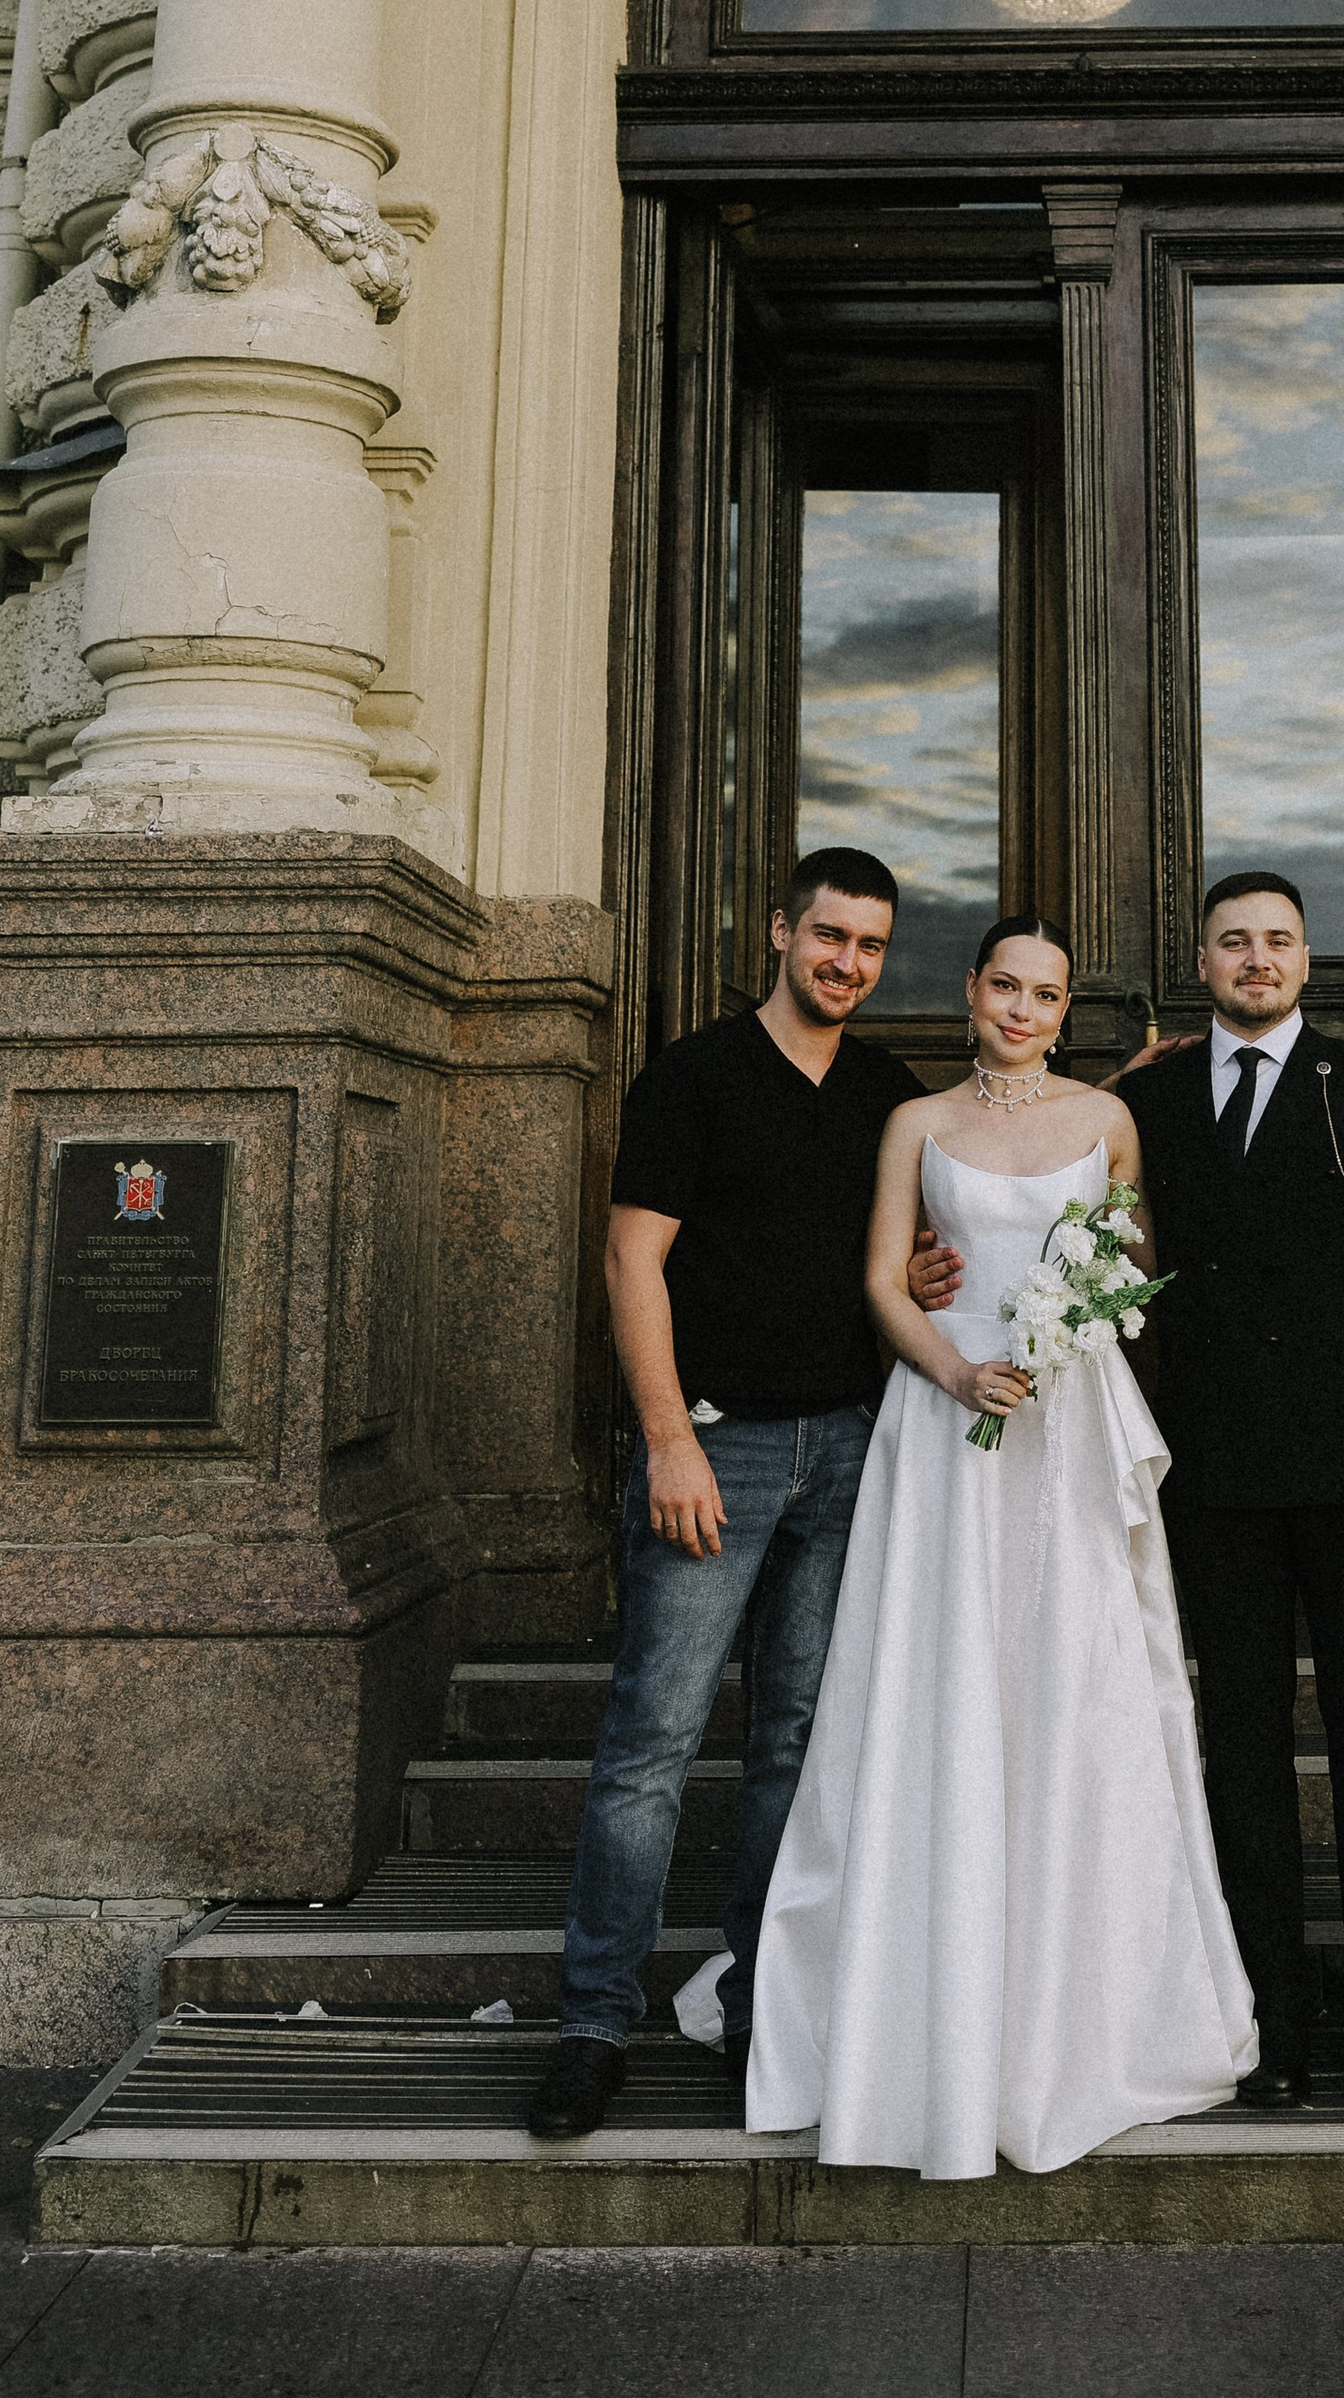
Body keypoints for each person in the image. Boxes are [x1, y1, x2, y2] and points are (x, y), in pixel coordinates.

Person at [747, 915, 1256, 2177]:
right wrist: (958, 1367)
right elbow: (880, 1279)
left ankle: (1080, 2015)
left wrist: (1089, 1291)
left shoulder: (1109, 1120)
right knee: (938, 1690)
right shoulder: (915, 1126)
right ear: (970, 992)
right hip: (949, 1417)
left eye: (1047, 993)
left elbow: (1138, 1260)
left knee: (1073, 1689)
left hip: (1067, 1422)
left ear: (1066, 1006)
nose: (1023, 1009)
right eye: (1005, 986)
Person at [525, 848, 922, 2143]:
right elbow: (632, 1263)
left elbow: (898, 1258)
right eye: (828, 936)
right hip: (716, 1446)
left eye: (868, 944)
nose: (846, 962)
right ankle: (593, 2019)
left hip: (849, 1445)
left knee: (795, 1747)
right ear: (779, 932)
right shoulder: (692, 1077)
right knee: (652, 1742)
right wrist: (667, 1441)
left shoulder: (885, 1093)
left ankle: (766, 2005)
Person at [1116, 873, 1344, 2112]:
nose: (1255, 960)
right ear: (1199, 960)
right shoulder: (1146, 1098)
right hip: (1211, 1476)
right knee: (1242, 1751)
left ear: (1307, 960)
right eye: (1232, 943)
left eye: (1275, 942)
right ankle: (1266, 2010)